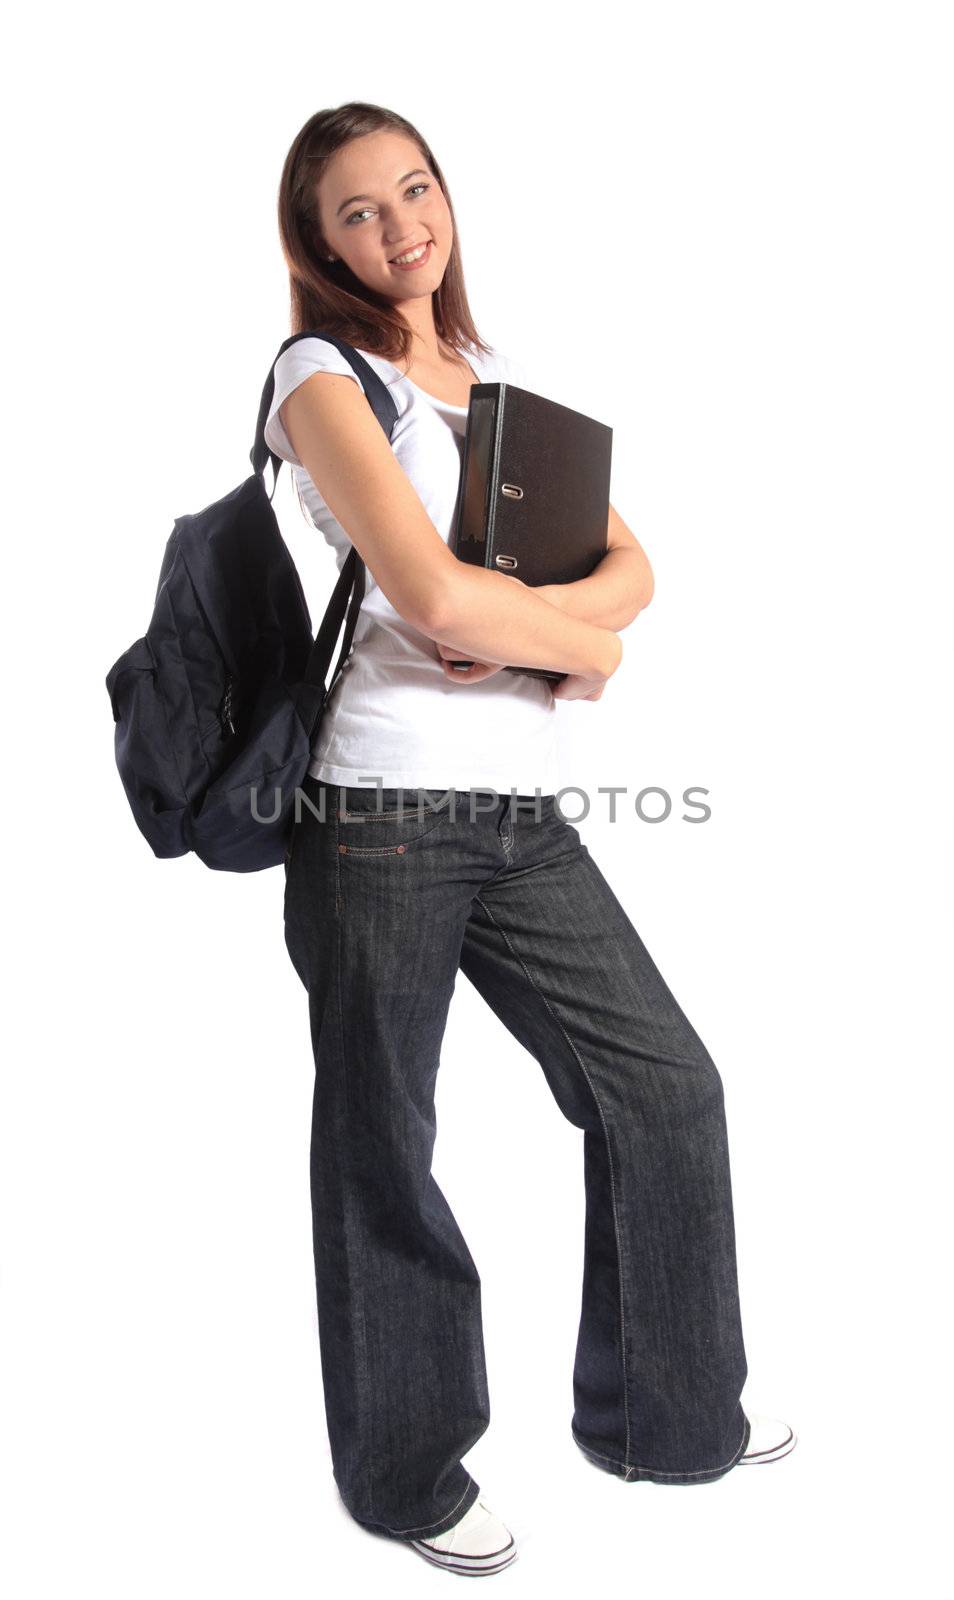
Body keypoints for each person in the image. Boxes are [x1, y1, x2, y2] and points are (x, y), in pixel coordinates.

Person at [269, 101, 796, 1578]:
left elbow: (632, 562)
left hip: (517, 813)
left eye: (414, 190)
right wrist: (587, 649)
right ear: (319, 241)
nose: (398, 227)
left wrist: (556, 631)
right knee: (384, 1145)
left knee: (665, 1090)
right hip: (377, 817)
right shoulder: (319, 377)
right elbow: (433, 602)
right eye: (359, 211)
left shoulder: (488, 380)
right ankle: (405, 1477)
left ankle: (667, 1415)